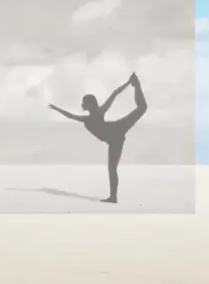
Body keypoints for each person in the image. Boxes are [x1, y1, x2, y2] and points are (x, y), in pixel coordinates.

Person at [49, 72, 147, 203]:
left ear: (90, 104)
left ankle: (136, 84)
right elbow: (70, 116)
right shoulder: (86, 119)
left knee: (142, 108)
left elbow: (114, 94)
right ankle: (113, 197)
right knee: (112, 168)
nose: (82, 105)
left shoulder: (99, 112)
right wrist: (57, 109)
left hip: (117, 130)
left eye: (84, 103)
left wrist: (128, 83)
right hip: (113, 140)